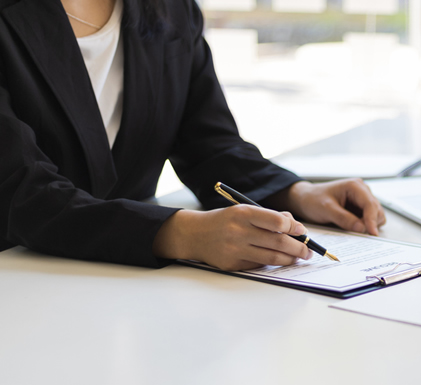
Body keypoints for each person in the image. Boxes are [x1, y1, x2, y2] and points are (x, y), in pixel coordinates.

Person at [0, 0, 385, 271]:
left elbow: (208, 144)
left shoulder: (171, 8)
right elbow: (18, 191)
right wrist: (181, 233)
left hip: (119, 287)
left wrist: (297, 193)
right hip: (21, 284)